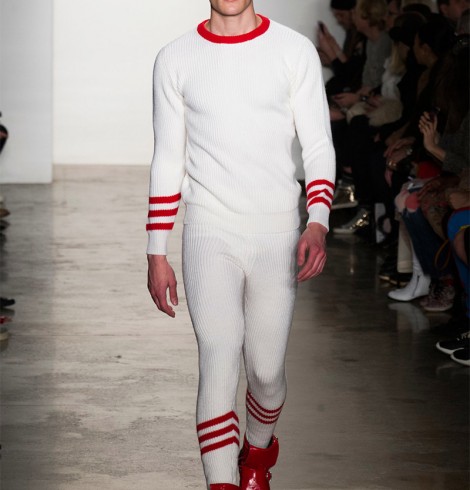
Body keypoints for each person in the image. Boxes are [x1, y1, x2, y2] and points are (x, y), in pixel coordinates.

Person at [146, 1, 336, 489]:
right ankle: (223, 482)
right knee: (218, 359)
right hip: (208, 229)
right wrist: (156, 250)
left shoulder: (293, 51)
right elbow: (168, 157)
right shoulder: (175, 58)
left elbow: (317, 143)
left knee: (266, 373)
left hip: (277, 232)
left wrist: (317, 221)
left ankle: (257, 454)